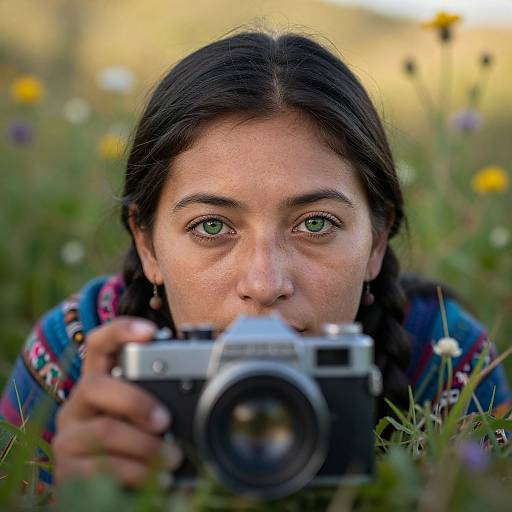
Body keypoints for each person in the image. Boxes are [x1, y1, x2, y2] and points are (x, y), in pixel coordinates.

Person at [0, 30, 509, 490]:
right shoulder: (78, 357)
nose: (265, 284)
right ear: (148, 244)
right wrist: (80, 497)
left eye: (315, 223)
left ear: (377, 241)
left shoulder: (445, 364)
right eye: (212, 227)